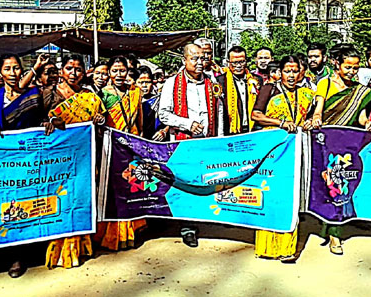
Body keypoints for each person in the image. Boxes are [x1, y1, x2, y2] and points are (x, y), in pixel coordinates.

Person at [0, 53, 56, 277]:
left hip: (32, 158)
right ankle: (14, 255)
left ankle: (31, 249)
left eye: (16, 68)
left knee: (31, 201)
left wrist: (48, 123)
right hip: (5, 160)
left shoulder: (34, 94)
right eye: (7, 69)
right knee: (9, 203)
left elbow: (45, 117)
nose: (12, 73)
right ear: (0, 72)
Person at [310, 45, 371, 255]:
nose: (352, 71)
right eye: (348, 67)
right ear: (336, 65)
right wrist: (317, 118)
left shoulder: (359, 90)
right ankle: (334, 233)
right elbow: (319, 109)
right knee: (332, 186)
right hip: (326, 144)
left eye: (355, 68)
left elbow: (361, 117)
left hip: (349, 146)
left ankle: (340, 222)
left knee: (346, 185)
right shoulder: (325, 83)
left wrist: (367, 123)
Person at [251, 56, 315, 262]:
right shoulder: (269, 89)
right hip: (272, 149)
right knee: (269, 194)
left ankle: (287, 248)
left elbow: (312, 116)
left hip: (295, 148)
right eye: (287, 71)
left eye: (295, 71)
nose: (291, 75)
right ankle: (267, 247)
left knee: (290, 195)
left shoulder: (306, 94)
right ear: (279, 72)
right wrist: (279, 123)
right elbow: (256, 115)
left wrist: (310, 121)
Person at [45, 54, 105, 269]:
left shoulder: (89, 96)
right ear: (62, 70)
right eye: (69, 68)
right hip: (57, 160)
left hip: (84, 158)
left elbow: (101, 122)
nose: (74, 73)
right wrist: (51, 121)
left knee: (81, 198)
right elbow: (39, 121)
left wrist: (99, 121)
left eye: (78, 69)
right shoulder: (49, 93)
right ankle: (59, 249)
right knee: (60, 199)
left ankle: (81, 246)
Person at [158, 43, 219, 247]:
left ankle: (202, 218)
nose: (200, 62)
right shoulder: (172, 83)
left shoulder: (211, 82)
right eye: (195, 58)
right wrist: (187, 124)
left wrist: (219, 138)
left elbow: (218, 112)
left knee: (205, 180)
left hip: (207, 141)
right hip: (182, 143)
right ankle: (188, 228)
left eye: (203, 58)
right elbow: (163, 114)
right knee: (185, 183)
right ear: (184, 60)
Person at [95, 57, 146, 250]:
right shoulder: (103, 94)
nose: (118, 75)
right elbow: (99, 122)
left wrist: (140, 140)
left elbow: (139, 119)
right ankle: (114, 232)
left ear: (128, 71)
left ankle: (132, 229)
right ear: (109, 73)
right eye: (114, 71)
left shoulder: (135, 92)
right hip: (112, 147)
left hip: (131, 146)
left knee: (131, 185)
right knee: (114, 189)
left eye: (122, 71)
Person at [215, 46, 263, 135]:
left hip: (254, 129)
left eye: (242, 62)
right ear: (228, 62)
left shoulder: (257, 80)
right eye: (235, 63)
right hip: (230, 130)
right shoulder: (220, 82)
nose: (239, 65)